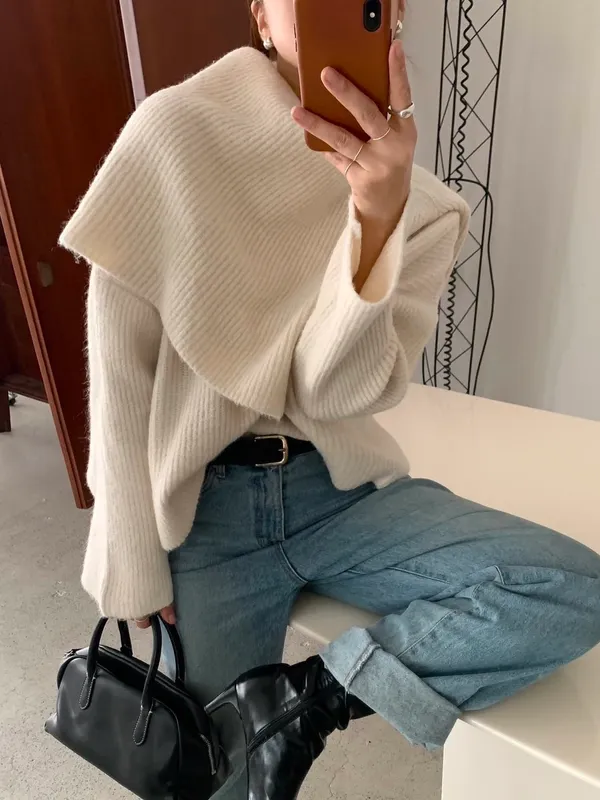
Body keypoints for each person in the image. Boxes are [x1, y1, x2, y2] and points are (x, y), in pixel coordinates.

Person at [60, 0, 600, 797]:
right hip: (205, 513)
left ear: (392, 18)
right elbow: (119, 364)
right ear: (260, 16)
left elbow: (335, 389)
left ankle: (309, 702)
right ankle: (274, 719)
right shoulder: (173, 134)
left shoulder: (423, 209)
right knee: (212, 776)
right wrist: (128, 550)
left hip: (341, 492)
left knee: (568, 588)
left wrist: (376, 218)